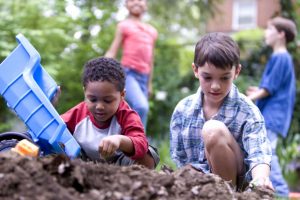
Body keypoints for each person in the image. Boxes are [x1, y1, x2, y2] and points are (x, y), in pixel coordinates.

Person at [170, 32, 273, 191]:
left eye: (224, 78)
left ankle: (226, 195)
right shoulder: (182, 110)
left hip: (235, 183)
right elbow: (180, 160)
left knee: (213, 130)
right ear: (196, 70)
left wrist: (261, 178)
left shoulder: (247, 111)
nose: (215, 86)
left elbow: (259, 154)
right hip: (197, 181)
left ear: (236, 72)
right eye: (208, 77)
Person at [58, 57, 159, 169]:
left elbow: (141, 143)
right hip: (84, 163)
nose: (100, 106)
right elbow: (55, 128)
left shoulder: (126, 115)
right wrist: (51, 104)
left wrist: (120, 140)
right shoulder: (78, 113)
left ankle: (129, 183)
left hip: (118, 166)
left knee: (149, 154)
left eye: (107, 100)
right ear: (85, 93)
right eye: (93, 99)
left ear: (122, 95)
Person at [246, 16, 297, 197]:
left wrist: (251, 97)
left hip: (273, 114)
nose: (266, 33)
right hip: (272, 113)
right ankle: (264, 190)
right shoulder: (279, 57)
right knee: (263, 151)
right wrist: (257, 91)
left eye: (269, 29)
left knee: (266, 152)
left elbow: (270, 88)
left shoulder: (281, 57)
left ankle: (281, 191)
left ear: (281, 34)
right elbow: (270, 87)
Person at [105, 0, 158, 129]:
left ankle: (132, 143)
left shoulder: (152, 31)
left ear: (146, 4)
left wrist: (149, 83)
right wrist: (101, 69)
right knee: (141, 106)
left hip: (144, 77)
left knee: (135, 111)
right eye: (132, 0)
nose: (136, 3)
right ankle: (138, 142)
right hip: (128, 74)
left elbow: (150, 59)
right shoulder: (124, 25)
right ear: (126, 4)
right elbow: (113, 51)